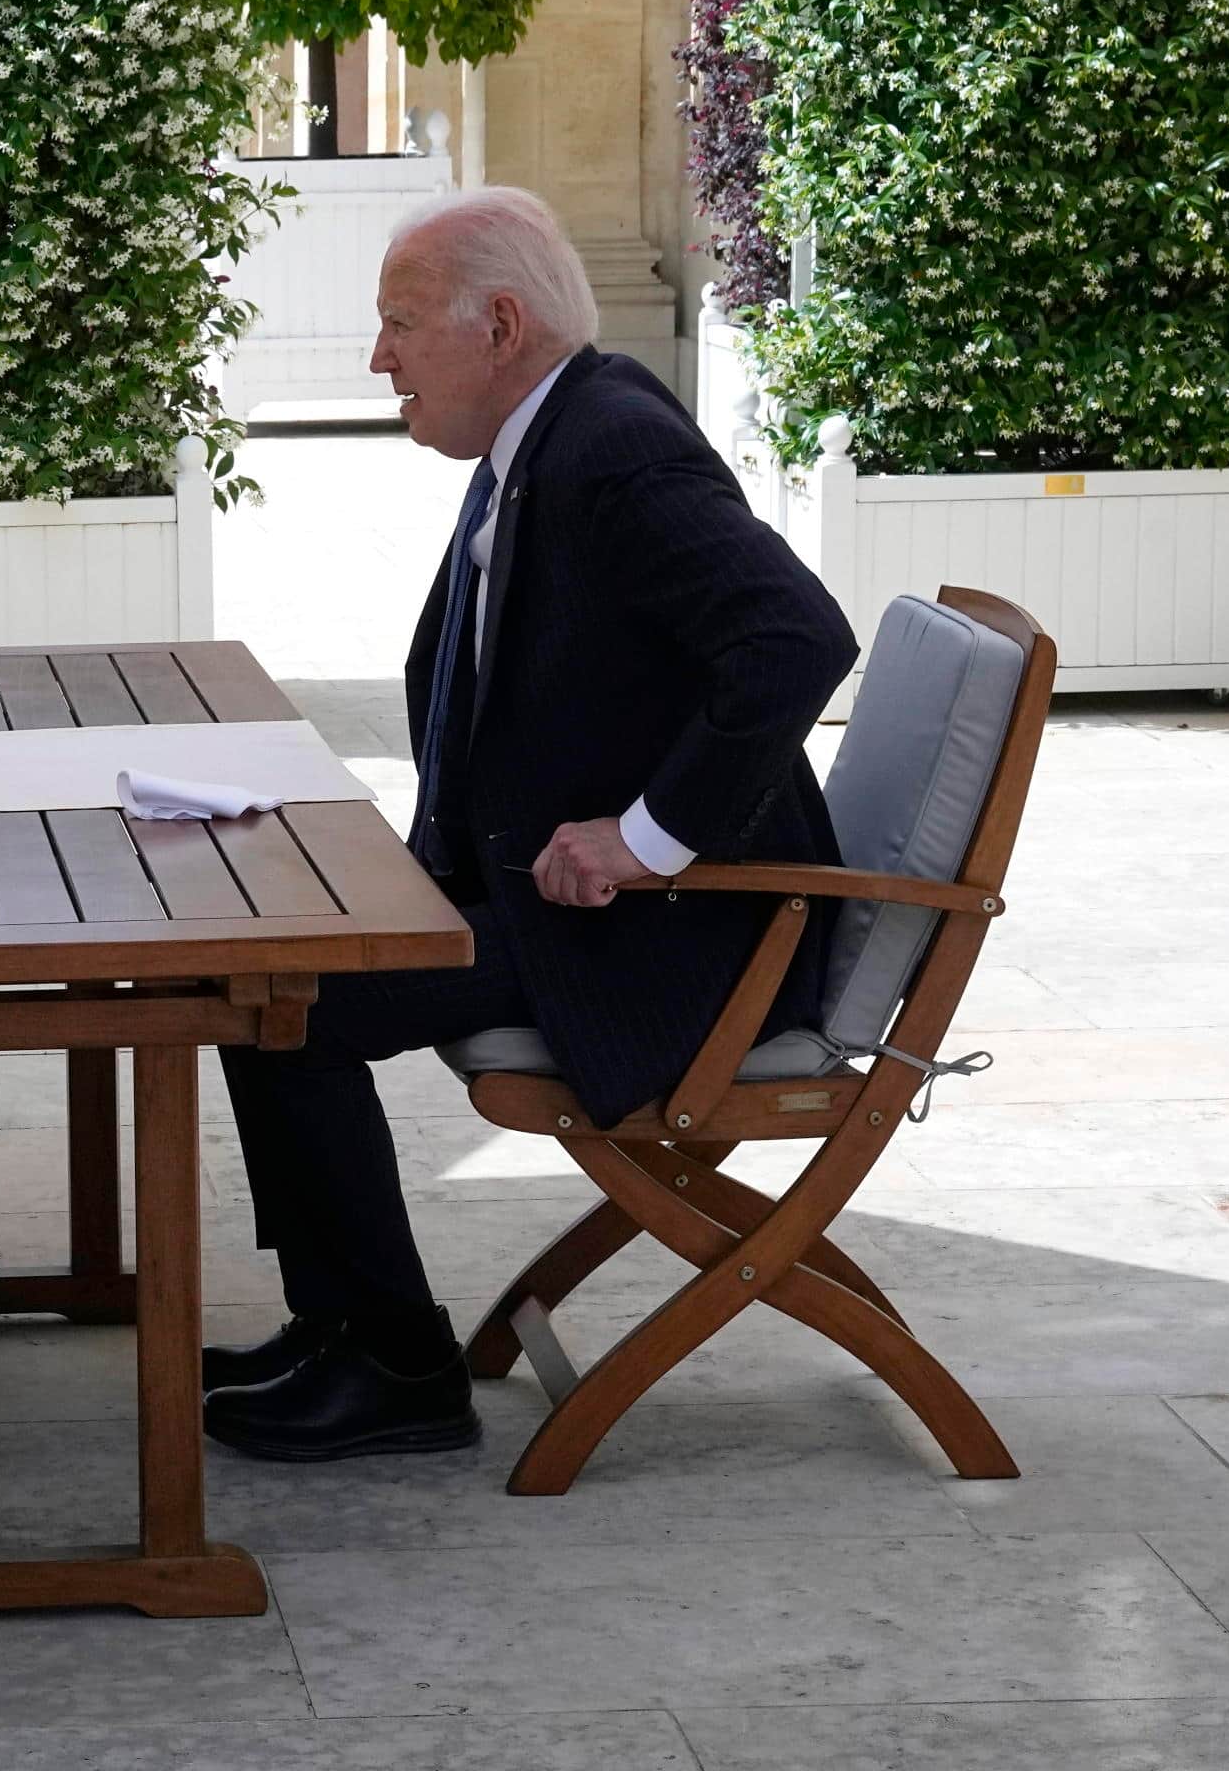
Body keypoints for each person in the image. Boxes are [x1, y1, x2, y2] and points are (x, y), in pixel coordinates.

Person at [206, 188, 860, 1463]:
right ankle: (346, 1319)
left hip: (675, 946)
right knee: (269, 960)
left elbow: (795, 639)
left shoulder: (614, 449)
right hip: (556, 902)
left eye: (399, 325)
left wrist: (645, 837)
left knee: (281, 998)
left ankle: (395, 1360)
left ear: (499, 324)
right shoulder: (540, 438)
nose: (378, 358)